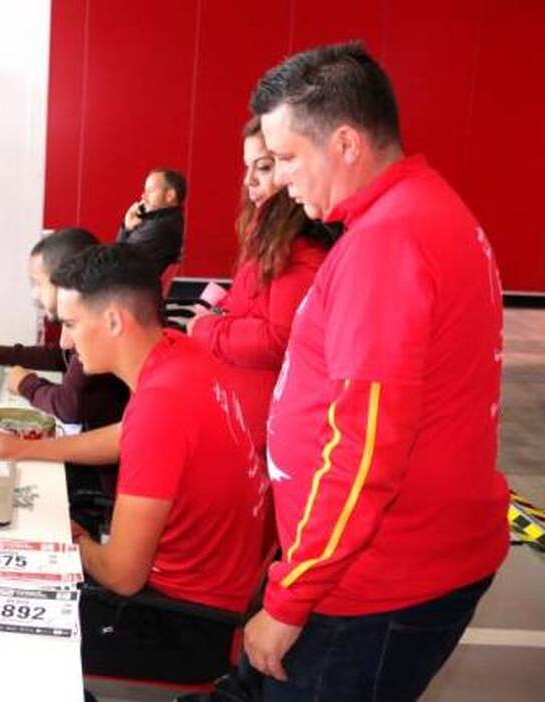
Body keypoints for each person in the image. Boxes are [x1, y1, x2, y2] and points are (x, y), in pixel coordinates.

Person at [238, 42, 508, 700]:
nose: (279, 178)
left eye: (289, 158)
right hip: (396, 565)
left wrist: (289, 600)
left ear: (348, 143)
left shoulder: (389, 242)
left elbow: (364, 452)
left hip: (376, 585)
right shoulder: (421, 208)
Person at [46, 244, 270, 684]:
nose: (65, 342)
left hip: (181, 624)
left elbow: (123, 576)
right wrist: (25, 451)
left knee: (3, 624)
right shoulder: (180, 353)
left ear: (113, 320)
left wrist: (72, 538)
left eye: (71, 324)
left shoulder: (160, 407)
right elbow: (132, 437)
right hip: (223, 596)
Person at [184, 116, 338, 453]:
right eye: (248, 167)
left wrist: (206, 329)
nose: (249, 180)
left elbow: (278, 337)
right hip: (242, 419)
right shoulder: (268, 237)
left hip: (263, 432)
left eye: (264, 167)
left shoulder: (300, 245)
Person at [0, 227, 128, 494]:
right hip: (98, 454)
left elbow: (69, 406)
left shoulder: (98, 335)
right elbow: (61, 355)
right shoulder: (92, 326)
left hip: (100, 475)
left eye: (38, 282)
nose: (65, 342)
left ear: (67, 280)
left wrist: (27, 384)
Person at [115, 168, 186, 277]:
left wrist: (127, 229)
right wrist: (127, 227)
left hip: (130, 288)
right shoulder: (165, 221)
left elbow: (117, 261)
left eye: (150, 190)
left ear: (170, 195)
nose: (143, 196)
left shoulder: (160, 228)